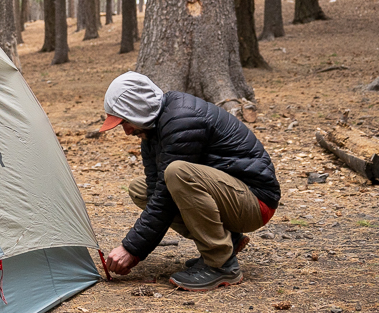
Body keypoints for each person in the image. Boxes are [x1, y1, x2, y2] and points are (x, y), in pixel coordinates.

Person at [99, 72, 280, 291]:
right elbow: (157, 192)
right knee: (141, 190)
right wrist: (135, 251)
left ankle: (221, 265)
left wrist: (131, 249)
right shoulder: (152, 130)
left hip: (255, 202)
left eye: (125, 121)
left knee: (177, 173)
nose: (127, 131)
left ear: (138, 109)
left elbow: (165, 197)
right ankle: (228, 240)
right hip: (232, 196)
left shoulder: (181, 120)